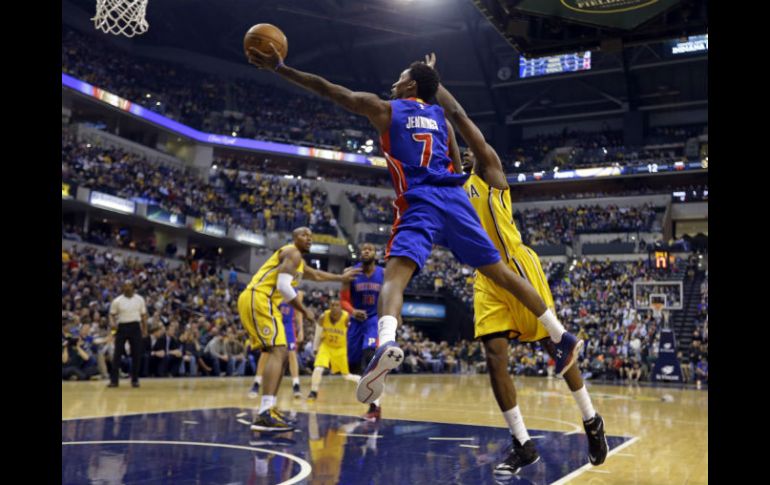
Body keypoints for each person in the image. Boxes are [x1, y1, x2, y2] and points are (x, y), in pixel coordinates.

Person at [245, 47, 582, 408]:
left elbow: (332, 91)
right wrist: (428, 74)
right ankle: (560, 336)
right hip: (454, 198)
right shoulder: (441, 118)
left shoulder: (386, 109)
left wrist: (282, 69)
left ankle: (387, 340)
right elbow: (456, 164)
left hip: (419, 199)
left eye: (400, 77)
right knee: (499, 272)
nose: (393, 82)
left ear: (409, 87)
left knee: (395, 276)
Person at [427, 52, 607, 474]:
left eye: (469, 149)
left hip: (517, 267)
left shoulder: (491, 170)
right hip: (485, 279)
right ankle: (522, 444)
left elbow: (458, 117)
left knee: (553, 348)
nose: (466, 153)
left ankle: (591, 419)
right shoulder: (455, 186)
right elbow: (448, 136)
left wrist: (432, 84)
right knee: (493, 356)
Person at [239, 227, 360, 432]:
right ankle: (265, 412)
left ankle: (269, 409)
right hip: (259, 298)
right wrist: (304, 311)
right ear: (294, 238)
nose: (309, 238)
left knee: (282, 353)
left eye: (311, 236)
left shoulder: (299, 262)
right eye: (304, 235)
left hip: (262, 302)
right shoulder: (292, 253)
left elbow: (317, 275)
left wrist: (341, 278)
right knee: (278, 352)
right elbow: (284, 287)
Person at [341, 243, 384, 421]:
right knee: (354, 364)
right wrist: (352, 311)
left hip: (373, 319)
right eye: (364, 249)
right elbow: (343, 301)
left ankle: (375, 406)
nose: (366, 251)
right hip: (356, 321)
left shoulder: (384, 273)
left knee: (369, 356)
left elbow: (391, 295)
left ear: (375, 253)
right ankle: (372, 399)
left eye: (370, 249)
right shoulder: (350, 273)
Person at [248, 291, 305, 399]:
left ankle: (296, 384)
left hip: (288, 325)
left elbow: (298, 313)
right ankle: (257, 382)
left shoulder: (298, 293)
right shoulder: (273, 288)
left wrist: (301, 329)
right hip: (273, 323)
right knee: (265, 352)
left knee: (291, 353)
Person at [307, 299, 361, 402]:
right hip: (326, 346)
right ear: (329, 307)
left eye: (337, 305)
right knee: (318, 368)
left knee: (346, 376)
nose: (335, 307)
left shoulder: (346, 318)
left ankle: (363, 381)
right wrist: (315, 348)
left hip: (340, 349)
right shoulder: (323, 317)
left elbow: (354, 333)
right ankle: (313, 392)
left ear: (341, 307)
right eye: (332, 305)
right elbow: (318, 334)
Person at [107, 281, 147, 388]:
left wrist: (145, 329)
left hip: (135, 327)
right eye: (125, 286)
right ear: (122, 288)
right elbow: (111, 314)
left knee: (136, 354)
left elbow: (143, 316)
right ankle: (114, 381)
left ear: (133, 287)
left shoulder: (140, 299)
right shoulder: (117, 301)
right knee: (117, 354)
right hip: (122, 327)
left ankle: (135, 380)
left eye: (129, 286)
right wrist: (112, 322)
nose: (127, 288)